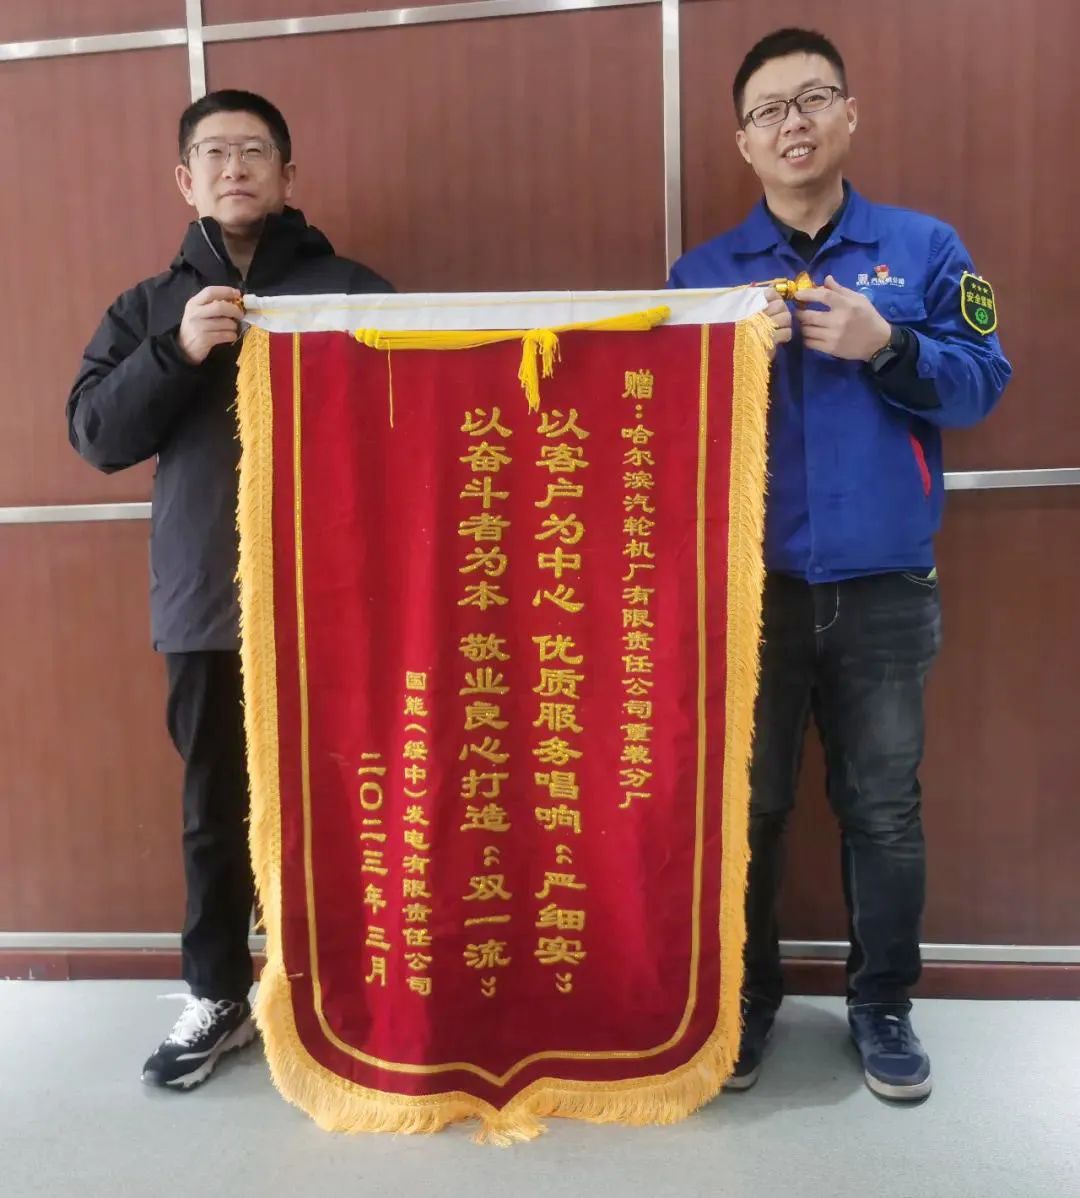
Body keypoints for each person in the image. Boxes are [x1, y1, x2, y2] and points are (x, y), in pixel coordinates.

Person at [669, 29, 1010, 1100]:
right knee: (751, 805)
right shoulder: (702, 276)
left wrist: (888, 345)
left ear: (849, 115)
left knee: (883, 808)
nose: (794, 124)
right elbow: (662, 431)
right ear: (743, 142)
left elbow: (984, 383)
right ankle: (746, 1000)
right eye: (769, 110)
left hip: (885, 589)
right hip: (751, 592)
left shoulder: (926, 248)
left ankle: (883, 1006)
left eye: (813, 99)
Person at [66, 90, 392, 1089]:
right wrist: (177, 351)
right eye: (214, 152)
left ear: (289, 175)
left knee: (350, 797)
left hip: (338, 599)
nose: (235, 166)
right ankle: (217, 993)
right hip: (207, 599)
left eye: (255, 150)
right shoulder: (148, 307)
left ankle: (348, 991)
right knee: (215, 808)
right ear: (186, 180)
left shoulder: (351, 290)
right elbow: (95, 436)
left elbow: (412, 420)